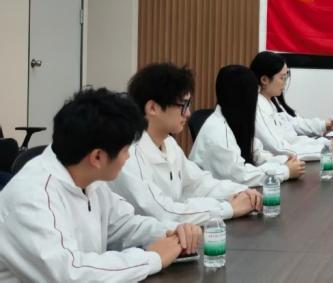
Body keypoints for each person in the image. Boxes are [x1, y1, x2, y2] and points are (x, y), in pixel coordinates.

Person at [0, 88, 202, 282]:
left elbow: (123, 224)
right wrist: (151, 258)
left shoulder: (87, 177)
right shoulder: (31, 198)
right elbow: (70, 274)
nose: (129, 157)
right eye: (126, 150)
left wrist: (171, 233)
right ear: (97, 157)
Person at [110, 63, 263, 225]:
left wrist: (240, 191)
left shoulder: (168, 143)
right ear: (153, 108)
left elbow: (199, 183)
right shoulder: (129, 154)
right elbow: (163, 212)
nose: (188, 113)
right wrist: (228, 208)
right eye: (183, 106)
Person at [190, 65, 305, 186]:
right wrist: (285, 171)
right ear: (243, 97)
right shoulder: (218, 132)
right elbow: (241, 176)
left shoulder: (234, 120)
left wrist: (283, 161)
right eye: (255, 93)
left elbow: (256, 154)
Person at [250, 51, 333, 160]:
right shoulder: (258, 108)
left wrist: (325, 143)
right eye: (282, 78)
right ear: (264, 80)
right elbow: (278, 150)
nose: (285, 83)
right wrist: (326, 149)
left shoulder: (270, 103)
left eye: (286, 77)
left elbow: (292, 138)